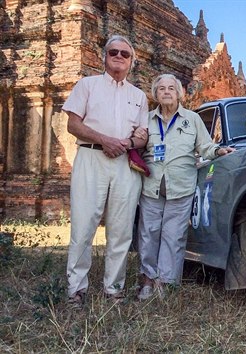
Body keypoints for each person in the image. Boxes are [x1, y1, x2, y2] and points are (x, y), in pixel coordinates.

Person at [63, 35, 149, 305]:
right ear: (105, 56)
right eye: (114, 51)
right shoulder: (87, 85)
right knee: (83, 226)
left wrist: (127, 143)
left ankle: (114, 289)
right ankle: (76, 289)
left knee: (122, 229)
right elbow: (73, 125)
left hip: (125, 163)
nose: (119, 56)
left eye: (125, 53)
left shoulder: (138, 96)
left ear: (132, 61)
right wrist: (105, 140)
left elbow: (143, 135)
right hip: (91, 158)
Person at [136, 74, 234, 300]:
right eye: (162, 89)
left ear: (179, 93)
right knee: (148, 234)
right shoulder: (146, 120)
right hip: (151, 186)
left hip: (181, 187)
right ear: (155, 94)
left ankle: (165, 283)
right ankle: (147, 280)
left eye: (171, 88)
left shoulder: (191, 119)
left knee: (174, 236)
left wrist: (219, 151)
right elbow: (137, 148)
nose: (167, 92)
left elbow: (205, 145)